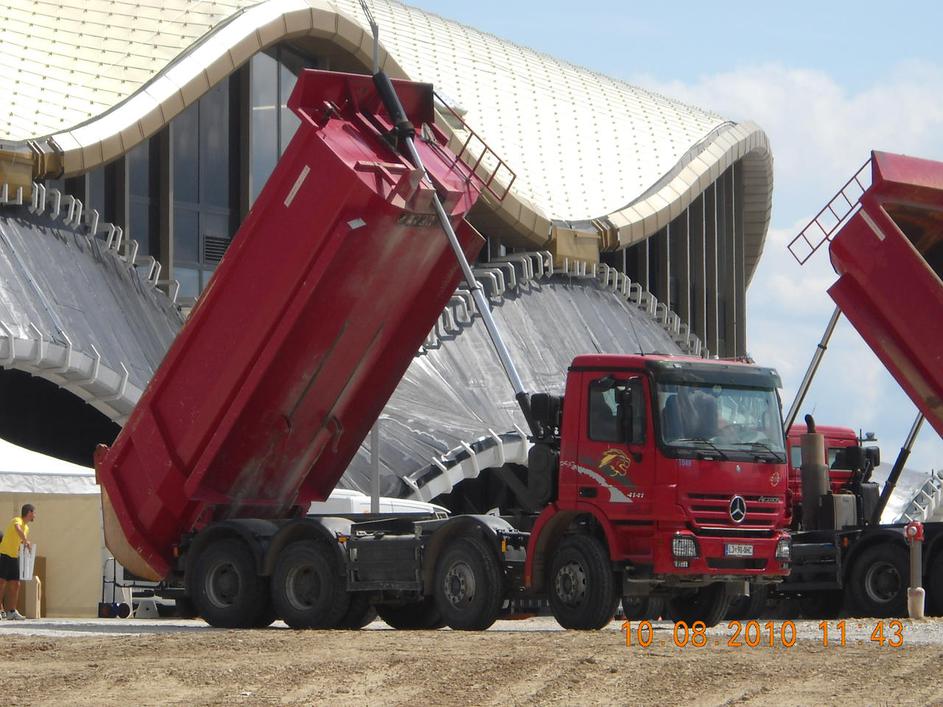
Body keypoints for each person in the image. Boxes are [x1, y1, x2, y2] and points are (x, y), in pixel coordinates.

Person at [0, 503, 35, 620]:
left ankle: (12, 611)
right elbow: (17, 529)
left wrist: (25, 546)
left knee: (16, 584)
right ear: (29, 512)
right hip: (4, 554)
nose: (35, 515)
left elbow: (18, 539)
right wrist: (25, 541)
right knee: (1, 583)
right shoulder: (17, 520)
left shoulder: (27, 528)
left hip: (14, 557)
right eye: (33, 513)